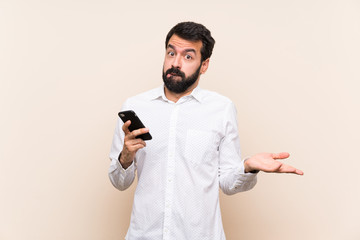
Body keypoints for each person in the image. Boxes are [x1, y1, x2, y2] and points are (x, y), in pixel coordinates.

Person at [109, 21, 303, 240]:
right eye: (171, 53)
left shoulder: (221, 109)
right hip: (144, 235)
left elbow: (228, 183)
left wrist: (247, 167)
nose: (176, 63)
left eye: (188, 56)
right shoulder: (135, 106)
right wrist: (124, 158)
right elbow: (119, 182)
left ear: (204, 65)